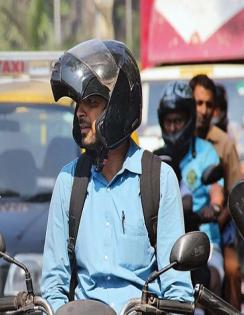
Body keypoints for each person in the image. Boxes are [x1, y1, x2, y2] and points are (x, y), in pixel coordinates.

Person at [41, 39, 193, 314]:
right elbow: (54, 284)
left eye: (92, 102)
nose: (80, 113)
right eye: (78, 103)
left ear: (119, 107)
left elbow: (177, 290)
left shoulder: (159, 179)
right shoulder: (69, 181)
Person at [154, 81, 224, 303]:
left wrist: (212, 208)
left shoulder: (206, 152)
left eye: (178, 121)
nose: (173, 127)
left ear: (189, 120)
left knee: (210, 282)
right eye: (169, 121)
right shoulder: (157, 157)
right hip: (165, 243)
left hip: (204, 239)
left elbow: (217, 191)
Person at [190, 74, 242, 310]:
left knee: (231, 270)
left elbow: (233, 193)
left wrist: (216, 217)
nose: (203, 110)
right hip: (185, 227)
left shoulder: (223, 144)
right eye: (198, 103)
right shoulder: (177, 138)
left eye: (209, 104)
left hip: (220, 227)